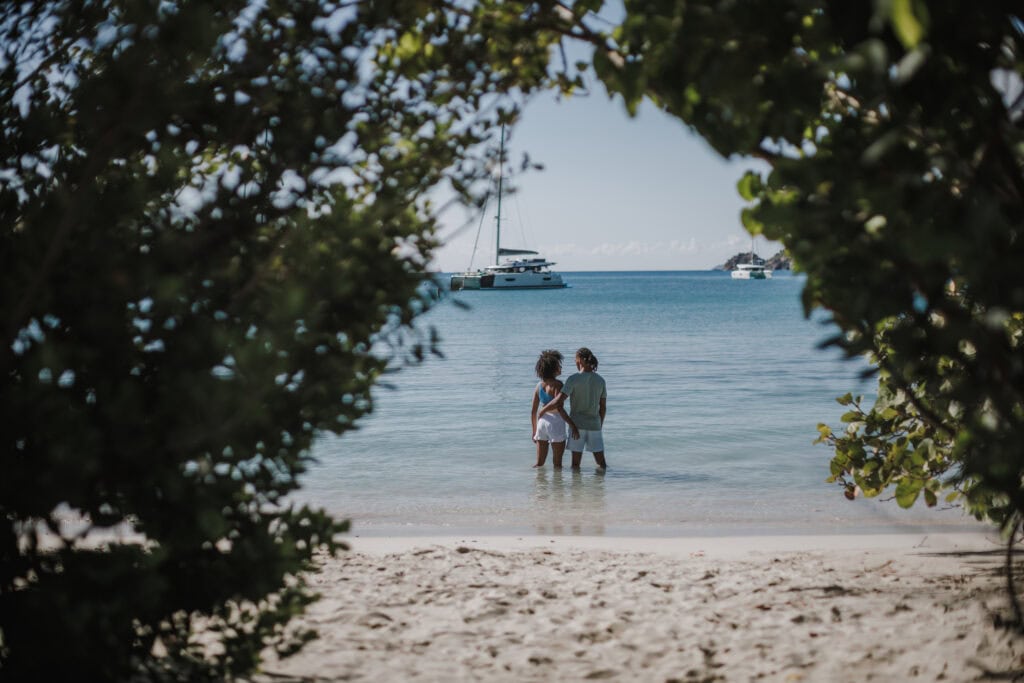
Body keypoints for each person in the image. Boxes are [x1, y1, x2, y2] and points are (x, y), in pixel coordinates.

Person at [539, 347, 607, 470]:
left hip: (577, 427)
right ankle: (602, 487)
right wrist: (599, 425)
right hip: (595, 425)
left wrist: (543, 410)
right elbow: (602, 408)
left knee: (575, 465)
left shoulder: (573, 379)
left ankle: (577, 489)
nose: (575, 362)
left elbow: (558, 400)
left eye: (575, 360)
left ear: (580, 360)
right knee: (601, 463)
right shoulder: (601, 381)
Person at [531, 350, 579, 468]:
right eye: (558, 365)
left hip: (541, 423)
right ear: (553, 369)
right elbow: (559, 408)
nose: (560, 367)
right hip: (556, 423)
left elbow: (533, 411)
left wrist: (534, 431)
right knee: (557, 464)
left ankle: (538, 486)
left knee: (539, 464)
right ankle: (557, 487)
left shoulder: (538, 386)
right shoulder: (558, 385)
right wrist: (573, 425)